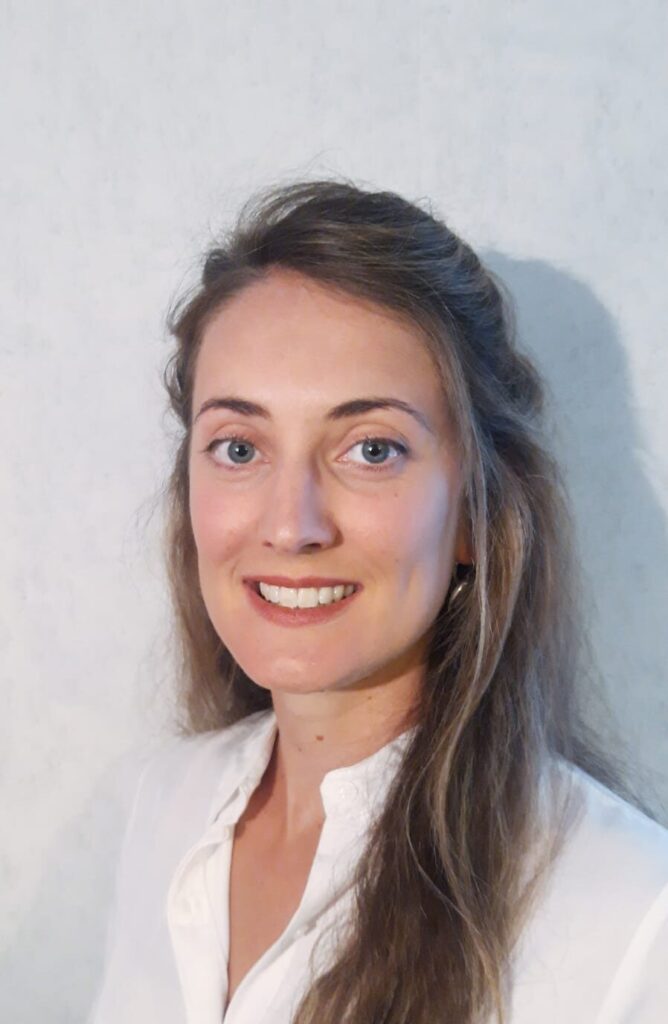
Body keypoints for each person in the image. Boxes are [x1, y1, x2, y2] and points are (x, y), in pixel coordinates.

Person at [87, 180, 668, 1024]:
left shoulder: (632, 915)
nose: (292, 526)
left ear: (475, 514)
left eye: (371, 449)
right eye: (239, 447)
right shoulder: (164, 806)